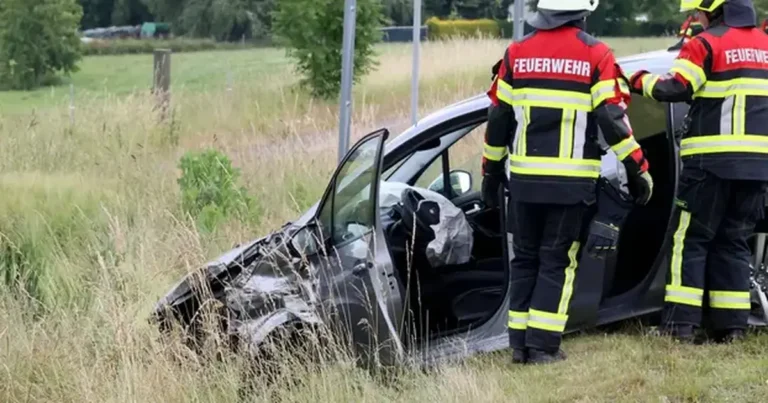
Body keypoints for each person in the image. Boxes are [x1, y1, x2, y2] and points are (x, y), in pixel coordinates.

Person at [481, 0, 654, 365]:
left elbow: (498, 119)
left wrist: (491, 171)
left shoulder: (517, 53)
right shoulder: (596, 54)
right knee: (555, 261)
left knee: (525, 260)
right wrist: (636, 167)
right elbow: (610, 117)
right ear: (583, 12)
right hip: (570, 184)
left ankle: (519, 346)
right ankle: (543, 347)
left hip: (525, 182)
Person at [627, 0, 768, 344]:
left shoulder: (704, 43)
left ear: (713, 9)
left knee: (689, 241)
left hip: (711, 164)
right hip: (758, 166)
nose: (700, 19)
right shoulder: (765, 47)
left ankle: (680, 326)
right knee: (733, 242)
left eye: (701, 13)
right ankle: (732, 327)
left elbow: (675, 89)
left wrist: (637, 80)